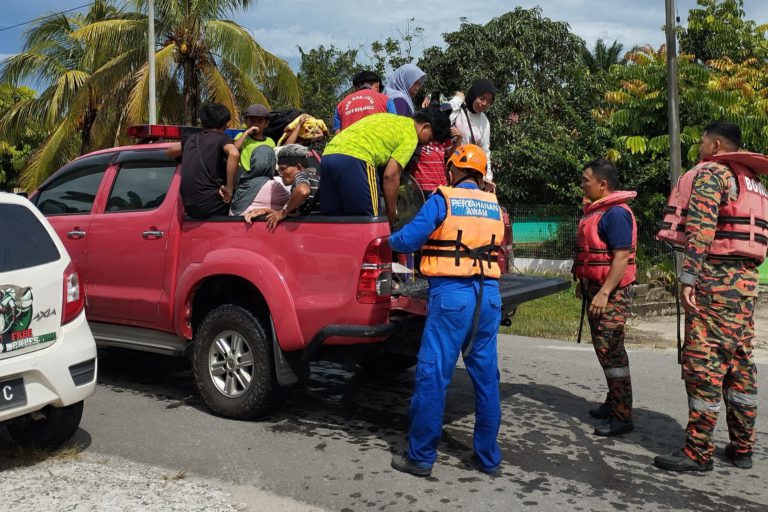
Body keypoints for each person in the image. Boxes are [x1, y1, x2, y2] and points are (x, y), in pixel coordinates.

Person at [654, 122, 768, 472]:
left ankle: (697, 453)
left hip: (716, 280)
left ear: (716, 144)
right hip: (746, 282)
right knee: (739, 364)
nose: (699, 147)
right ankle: (742, 447)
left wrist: (688, 278)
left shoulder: (713, 174)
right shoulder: (754, 182)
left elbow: (701, 229)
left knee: (703, 365)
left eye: (702, 141)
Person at [388, 144, 505, 477]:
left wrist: (387, 239)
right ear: (480, 174)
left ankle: (421, 457)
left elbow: (409, 239)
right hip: (489, 297)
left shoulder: (443, 199)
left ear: (453, 170)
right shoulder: (494, 204)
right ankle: (488, 459)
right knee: (486, 379)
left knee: (433, 375)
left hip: (452, 296)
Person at [572, 159, 637, 437]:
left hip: (611, 294)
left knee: (612, 353)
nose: (583, 184)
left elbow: (621, 257)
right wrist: (585, 283)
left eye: (586, 179)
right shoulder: (597, 211)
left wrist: (604, 292)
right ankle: (614, 402)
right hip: (596, 288)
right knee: (604, 352)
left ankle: (622, 416)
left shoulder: (616, 214)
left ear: (603, 184)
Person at [319, 110, 449, 224]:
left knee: (332, 220)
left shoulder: (389, 118)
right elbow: (390, 176)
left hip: (328, 156)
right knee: (368, 222)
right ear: (425, 127)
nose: (427, 143)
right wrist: (391, 214)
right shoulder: (411, 135)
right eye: (430, 138)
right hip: (357, 158)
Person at [166, 103, 239, 219]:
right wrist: (229, 188)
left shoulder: (191, 140)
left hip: (190, 207)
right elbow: (234, 154)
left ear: (203, 122)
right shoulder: (222, 138)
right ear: (226, 123)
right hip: (212, 206)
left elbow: (169, 151)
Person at [244, 144, 319, 230]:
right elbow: (295, 214)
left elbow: (303, 191)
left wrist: (284, 212)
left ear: (298, 167)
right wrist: (267, 211)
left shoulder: (302, 175)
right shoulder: (313, 176)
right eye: (279, 170)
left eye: (283, 169)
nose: (281, 174)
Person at [449, 79, 497, 191]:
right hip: (451, 168)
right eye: (482, 98)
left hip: (469, 173)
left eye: (489, 101)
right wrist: (458, 99)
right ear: (474, 95)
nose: (484, 103)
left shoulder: (485, 121)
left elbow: (485, 151)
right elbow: (443, 117)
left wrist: (487, 177)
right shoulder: (458, 109)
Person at [229, 145, 289, 217]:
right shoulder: (273, 186)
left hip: (234, 224)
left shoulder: (242, 181)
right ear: (272, 162)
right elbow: (295, 202)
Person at [333, 70, 397, 133]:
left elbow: (337, 134)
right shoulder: (386, 100)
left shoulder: (341, 105)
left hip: (348, 143)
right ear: (377, 85)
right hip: (377, 142)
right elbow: (394, 126)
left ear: (356, 87)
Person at [234, 104, 276, 171]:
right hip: (245, 175)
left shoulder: (270, 141)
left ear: (266, 124)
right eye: (252, 121)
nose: (255, 124)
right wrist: (246, 133)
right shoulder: (242, 136)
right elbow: (233, 149)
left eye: (259, 121)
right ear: (245, 121)